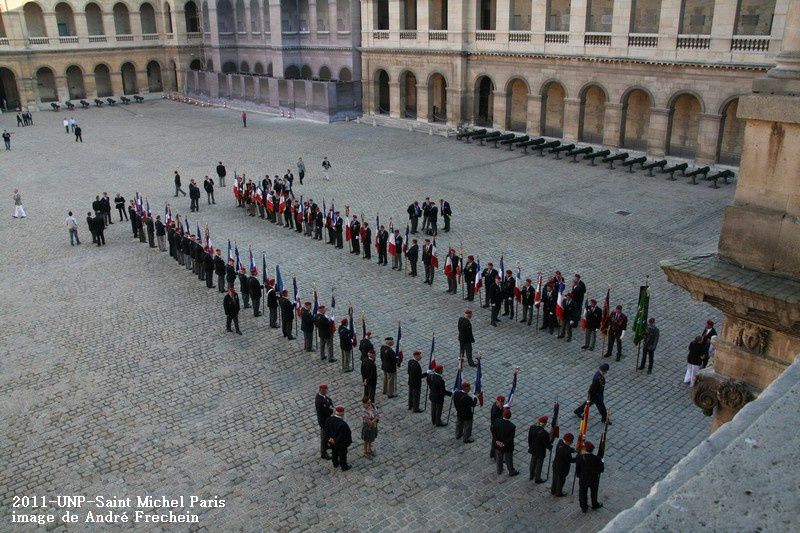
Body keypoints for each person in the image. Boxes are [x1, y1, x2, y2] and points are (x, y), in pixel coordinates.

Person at [576, 441, 604, 512]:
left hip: (583, 478)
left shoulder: (580, 457)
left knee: (582, 493)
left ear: (585, 449)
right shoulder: (597, 459)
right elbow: (601, 470)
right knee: (594, 492)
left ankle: (583, 507)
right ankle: (595, 504)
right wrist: (602, 462)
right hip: (593, 479)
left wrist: (579, 475)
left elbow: (578, 468)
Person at [493, 408, 519, 476]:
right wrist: (503, 443)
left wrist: (497, 441)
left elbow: (493, 431)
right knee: (509, 459)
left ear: (503, 415)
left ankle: (499, 470)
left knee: (499, 457)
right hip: (507, 446)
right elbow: (510, 438)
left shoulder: (497, 421)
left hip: (498, 444)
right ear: (510, 416)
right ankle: (511, 471)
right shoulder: (512, 426)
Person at [325, 406, 352, 471]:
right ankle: (344, 467)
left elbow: (326, 430)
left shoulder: (329, 419)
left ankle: (335, 463)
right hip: (340, 443)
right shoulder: (343, 424)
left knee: (334, 452)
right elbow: (343, 435)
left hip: (332, 441)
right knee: (342, 455)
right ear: (342, 414)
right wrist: (335, 441)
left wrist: (330, 439)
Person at [527, 416, 552, 483]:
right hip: (540, 451)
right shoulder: (545, 433)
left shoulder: (532, 427)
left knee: (533, 461)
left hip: (533, 448)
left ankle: (531, 475)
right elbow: (547, 444)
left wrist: (530, 446)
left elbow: (529, 438)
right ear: (545, 424)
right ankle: (537, 479)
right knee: (539, 464)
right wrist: (550, 447)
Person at [315, 384, 334, 459]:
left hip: (327, 420)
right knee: (324, 437)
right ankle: (323, 453)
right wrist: (331, 409)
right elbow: (328, 411)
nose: (326, 391)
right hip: (324, 422)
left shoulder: (322, 396)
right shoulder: (320, 401)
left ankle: (327, 445)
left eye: (326, 389)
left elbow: (329, 400)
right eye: (325, 390)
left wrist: (330, 406)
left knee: (328, 435)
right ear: (321, 390)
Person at [489, 395, 505, 459]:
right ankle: (496, 457)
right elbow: (498, 421)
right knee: (497, 442)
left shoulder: (498, 407)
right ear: (497, 401)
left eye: (502, 403)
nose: (501, 404)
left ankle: (492, 454)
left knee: (494, 441)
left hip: (496, 427)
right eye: (499, 403)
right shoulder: (495, 410)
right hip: (496, 428)